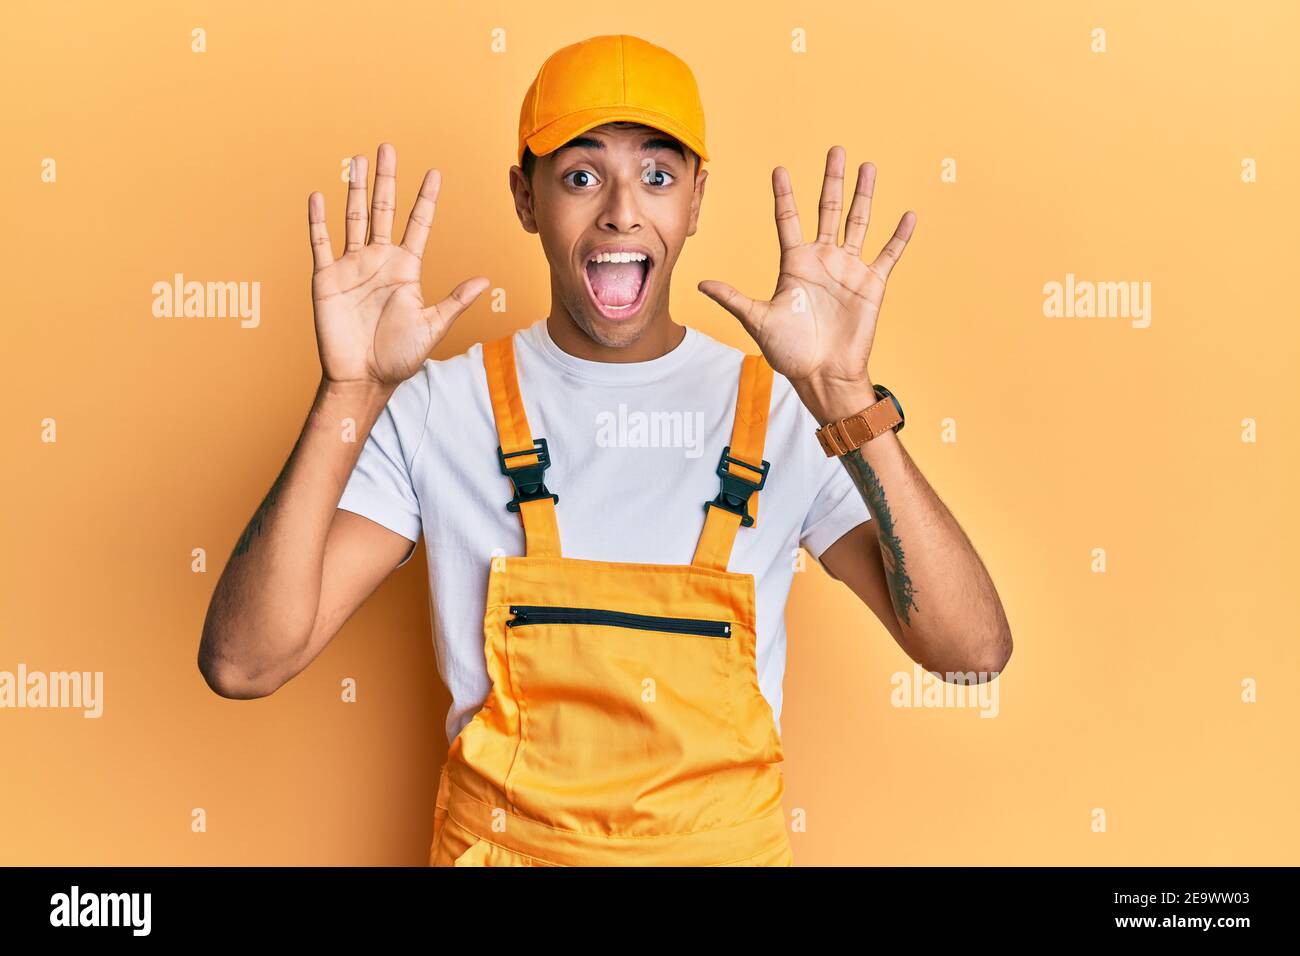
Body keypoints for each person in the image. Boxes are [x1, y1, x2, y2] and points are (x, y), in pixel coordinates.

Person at [198, 34, 1012, 867]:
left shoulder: (789, 412)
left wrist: (845, 393)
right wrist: (350, 394)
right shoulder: (440, 408)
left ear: (696, 200)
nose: (623, 210)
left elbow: (970, 655)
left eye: (658, 176)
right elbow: (245, 661)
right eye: (581, 175)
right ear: (525, 198)